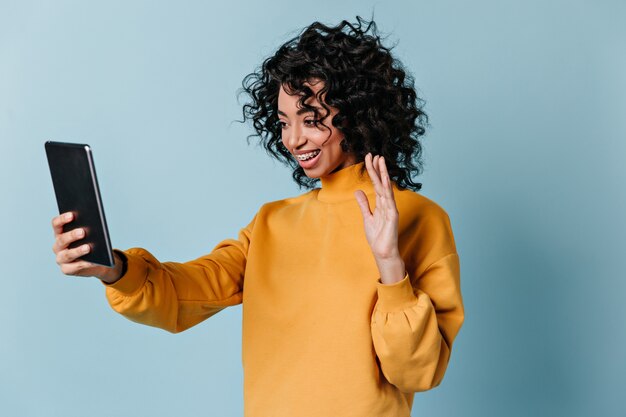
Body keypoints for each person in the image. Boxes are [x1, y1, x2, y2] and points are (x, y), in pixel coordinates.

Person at [51, 17, 464, 417]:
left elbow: (417, 372)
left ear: (358, 115)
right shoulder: (272, 223)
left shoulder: (419, 219)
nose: (294, 139)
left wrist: (390, 265)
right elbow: (186, 292)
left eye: (312, 120)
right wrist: (114, 269)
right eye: (284, 122)